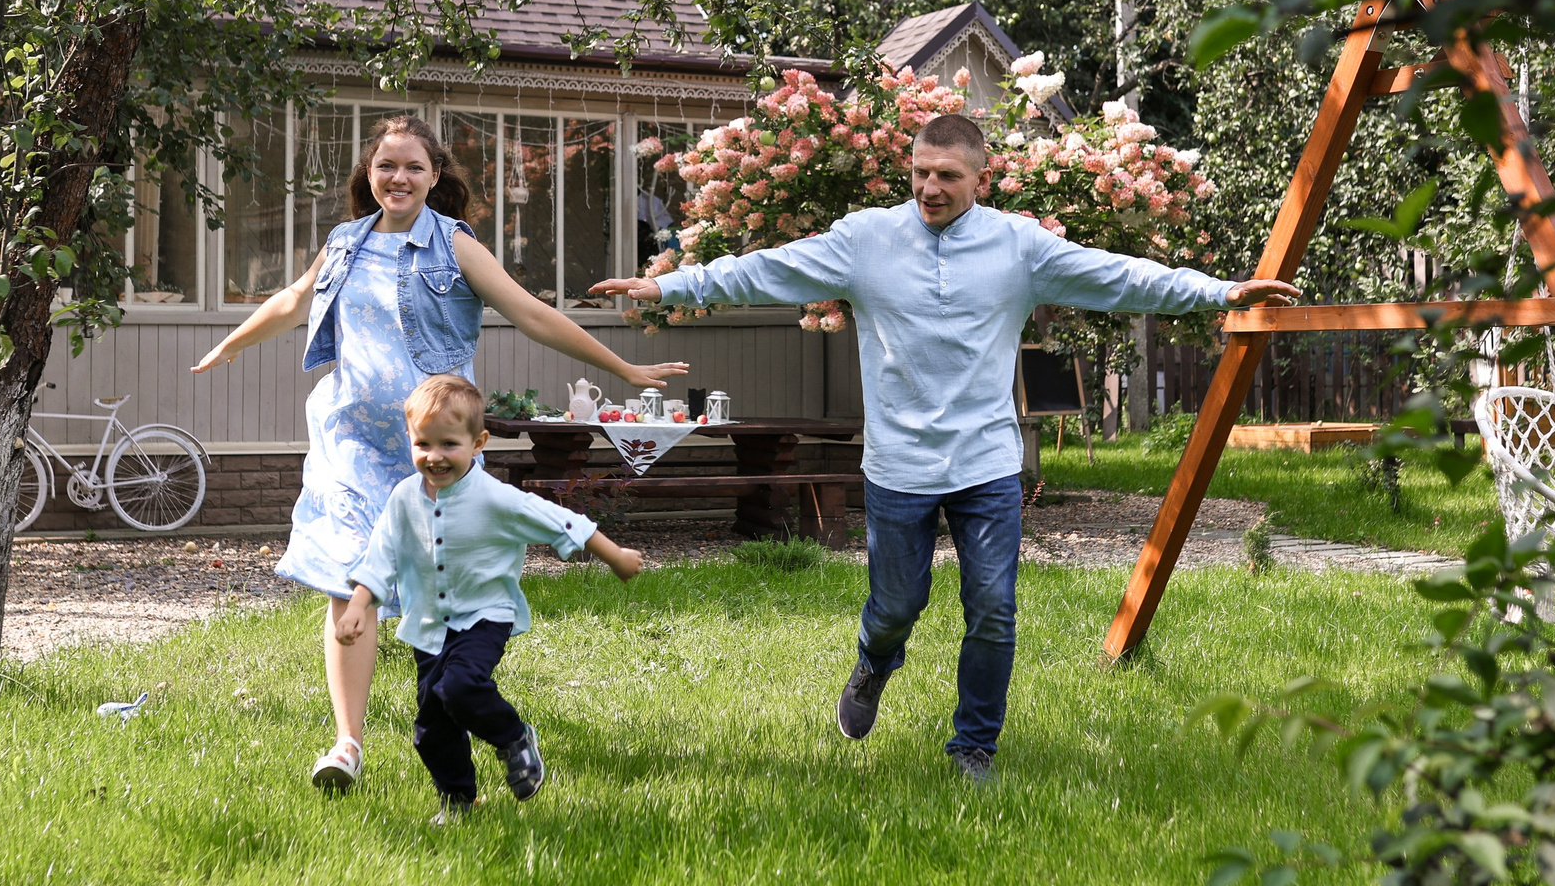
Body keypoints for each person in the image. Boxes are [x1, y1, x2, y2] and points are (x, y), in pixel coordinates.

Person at [592, 112, 1296, 781]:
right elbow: (761, 270)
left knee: (992, 606)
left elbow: (1117, 276)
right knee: (897, 604)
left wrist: (1222, 291)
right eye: (922, 172)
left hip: (986, 462)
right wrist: (665, 285)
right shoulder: (864, 240)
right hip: (899, 465)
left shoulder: (1019, 247)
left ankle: (974, 746)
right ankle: (875, 658)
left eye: (948, 176)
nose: (931, 187)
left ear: (979, 180)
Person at [192, 115, 684, 791]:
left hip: (432, 449)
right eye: (386, 165)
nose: (398, 177)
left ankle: (470, 721)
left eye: (413, 167)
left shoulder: (453, 245)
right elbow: (292, 300)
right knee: (345, 580)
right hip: (350, 442)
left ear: (435, 176)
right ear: (369, 173)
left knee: (447, 598)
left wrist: (623, 369)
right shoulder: (345, 242)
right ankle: (347, 744)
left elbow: (531, 311)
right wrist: (232, 343)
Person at [341, 374, 644, 819]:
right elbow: (380, 556)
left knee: (459, 687)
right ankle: (458, 800)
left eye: (449, 444)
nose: (435, 456)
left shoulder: (494, 498)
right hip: (429, 625)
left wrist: (614, 555)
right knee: (431, 728)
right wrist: (357, 605)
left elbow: (559, 520)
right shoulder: (403, 499)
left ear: (478, 442)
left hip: (484, 615)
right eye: (423, 444)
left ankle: (513, 737)